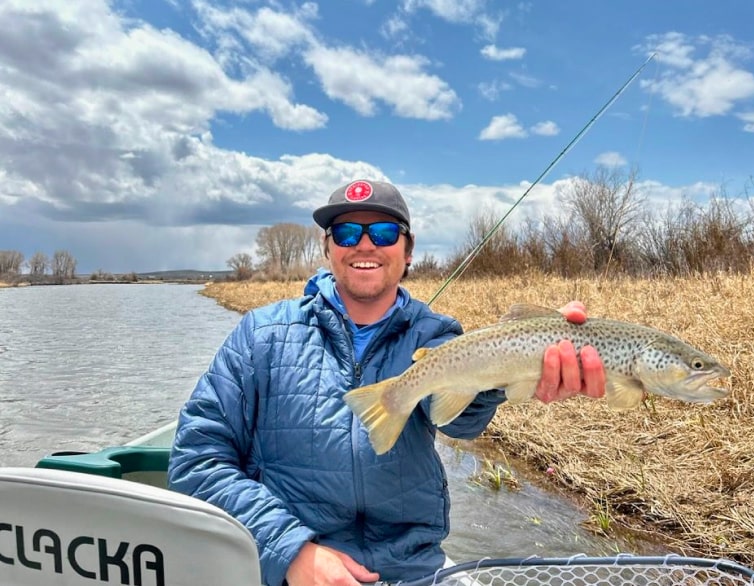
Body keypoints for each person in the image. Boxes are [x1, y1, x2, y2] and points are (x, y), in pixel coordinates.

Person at [167, 179, 606, 586]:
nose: (364, 245)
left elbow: (461, 423)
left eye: (382, 233)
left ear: (408, 249)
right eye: (345, 233)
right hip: (287, 568)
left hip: (412, 569)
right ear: (327, 247)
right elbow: (195, 461)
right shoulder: (261, 335)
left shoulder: (435, 335)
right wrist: (290, 550)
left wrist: (525, 360)